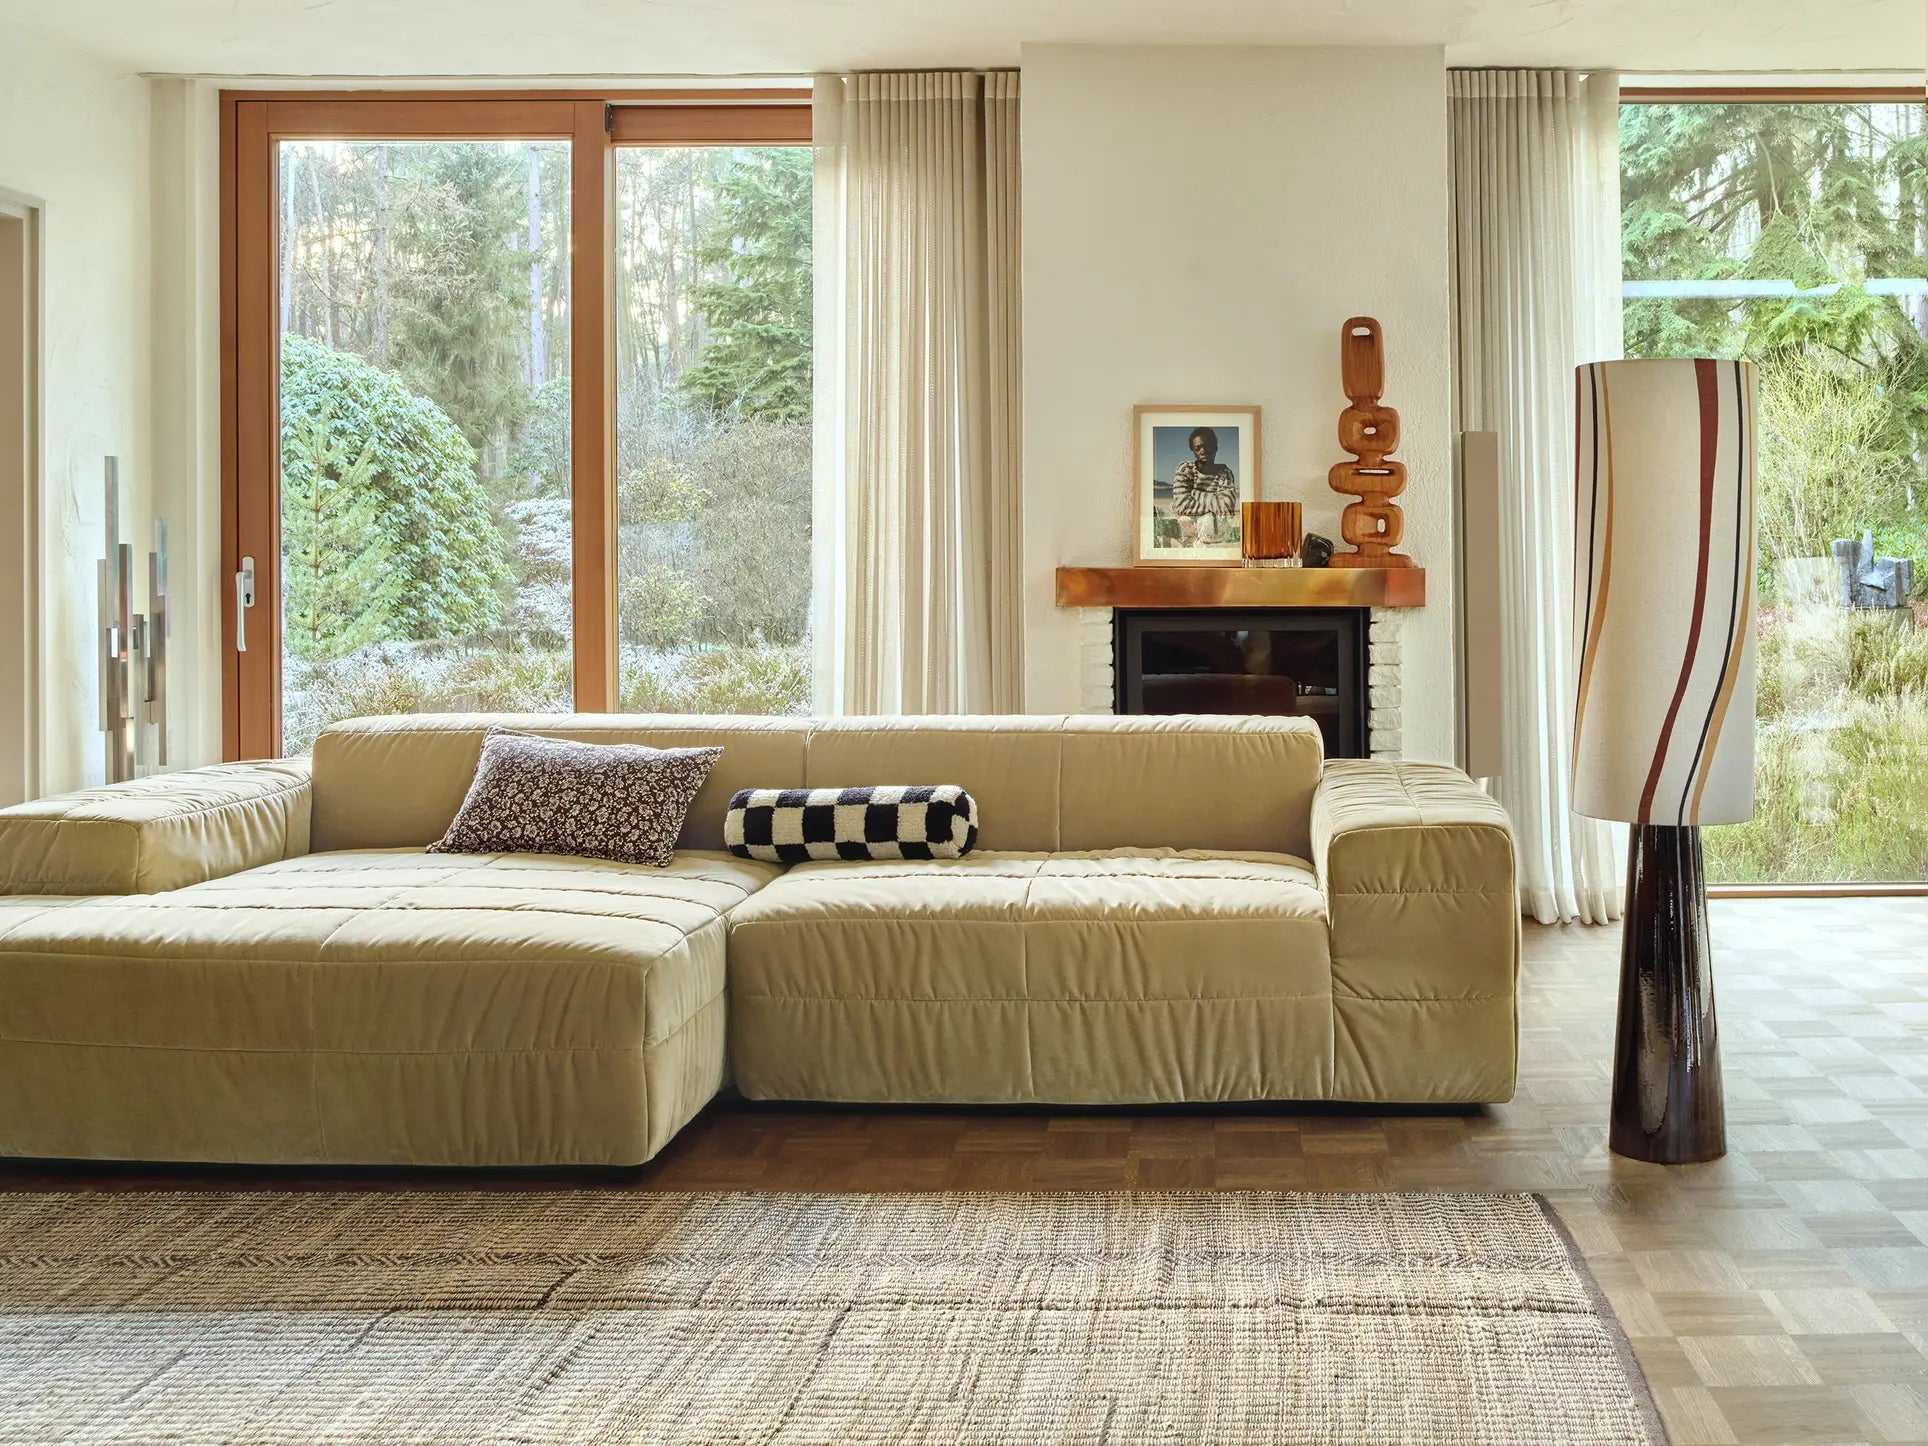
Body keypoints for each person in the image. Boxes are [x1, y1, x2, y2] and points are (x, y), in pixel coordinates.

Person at [1169, 427, 1238, 544]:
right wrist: (1214, 508)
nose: (1203, 451)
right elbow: (1182, 506)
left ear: (1215, 447)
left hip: (1212, 528)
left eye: (1208, 446)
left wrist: (1195, 493)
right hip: (1186, 526)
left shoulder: (1225, 474)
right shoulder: (1185, 469)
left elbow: (1226, 508)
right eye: (1197, 448)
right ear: (1193, 450)